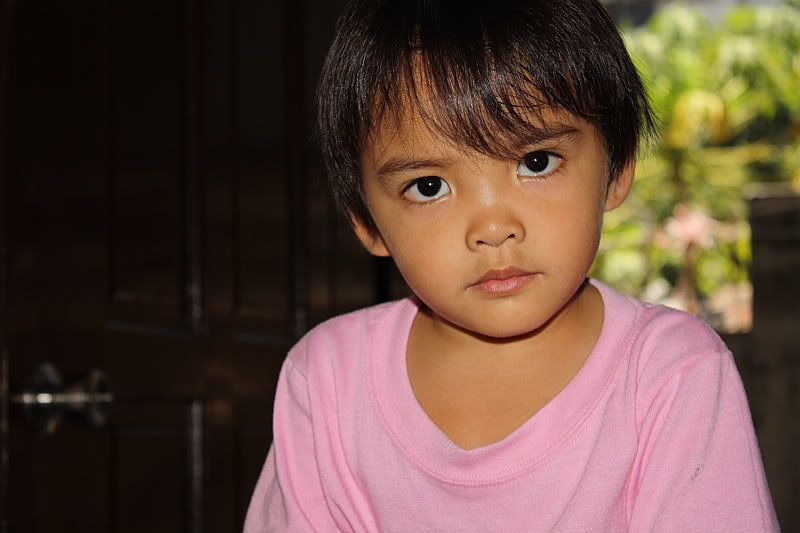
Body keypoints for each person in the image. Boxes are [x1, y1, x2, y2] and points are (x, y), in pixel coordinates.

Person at [245, 1, 779, 531]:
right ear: (367, 222)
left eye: (535, 162)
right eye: (428, 187)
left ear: (617, 168)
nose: (494, 226)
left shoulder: (668, 375)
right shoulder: (328, 383)